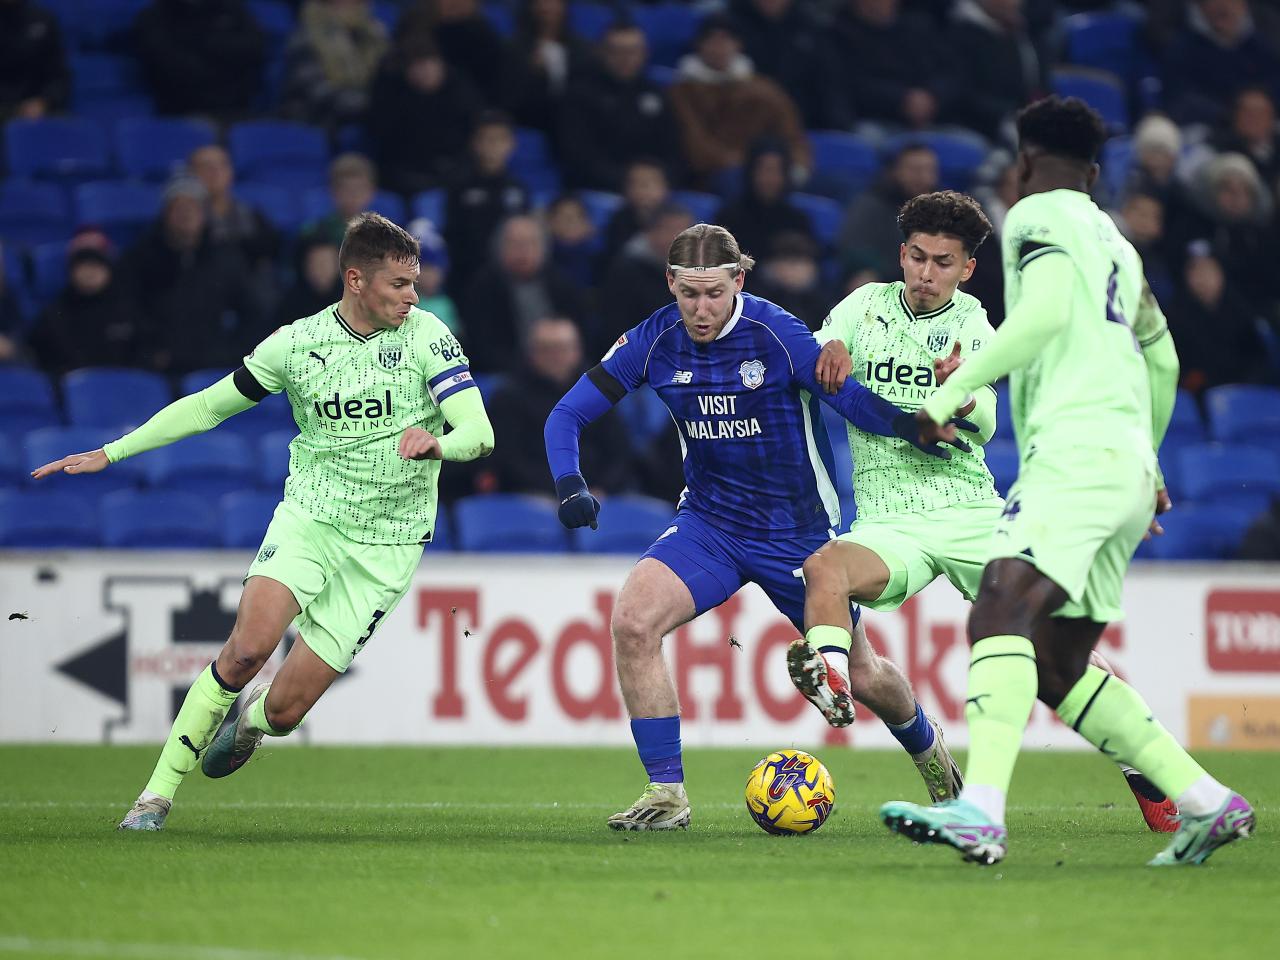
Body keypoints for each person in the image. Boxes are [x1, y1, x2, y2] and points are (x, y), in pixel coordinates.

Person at [877, 96, 1254, 866]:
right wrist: (1147, 466)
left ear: (1021, 164)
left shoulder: (1036, 216)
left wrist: (948, 394)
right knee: (1055, 665)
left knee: (998, 613)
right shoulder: (1116, 243)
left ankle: (979, 811)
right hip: (1122, 466)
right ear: (1095, 169)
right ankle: (1207, 802)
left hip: (1075, 457)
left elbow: (1043, 314)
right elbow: (1165, 359)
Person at [33, 213, 495, 831]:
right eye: (399, 284)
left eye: (415, 284)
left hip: (390, 540)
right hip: (312, 518)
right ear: (355, 279)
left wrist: (439, 446)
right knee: (248, 648)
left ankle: (250, 724)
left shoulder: (426, 336)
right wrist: (112, 452)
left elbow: (479, 432)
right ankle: (154, 798)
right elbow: (206, 408)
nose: (413, 295)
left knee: (285, 710)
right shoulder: (295, 345)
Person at [544, 223, 975, 831]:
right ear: (670, 283)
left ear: (739, 281)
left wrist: (915, 427)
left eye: (714, 293)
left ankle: (936, 765)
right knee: (632, 623)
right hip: (710, 525)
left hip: (797, 533)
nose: (700, 308)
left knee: (862, 673)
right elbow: (565, 416)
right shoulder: (652, 340)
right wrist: (569, 483)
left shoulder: (778, 335)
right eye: (688, 293)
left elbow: (848, 399)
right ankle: (666, 794)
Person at [793, 190, 1180, 834]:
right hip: (890, 520)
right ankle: (830, 677)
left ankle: (1151, 776)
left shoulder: (974, 324)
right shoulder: (863, 306)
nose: (926, 273)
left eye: (943, 262)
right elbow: (822, 344)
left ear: (967, 269)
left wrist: (961, 393)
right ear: (901, 254)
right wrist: (827, 351)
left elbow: (991, 422)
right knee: (824, 570)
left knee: (1060, 650)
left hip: (971, 513)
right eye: (917, 258)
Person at [120, 176, 267, 375]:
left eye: (193, 207)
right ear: (166, 214)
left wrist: (232, 353)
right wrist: (151, 352)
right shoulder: (141, 258)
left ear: (204, 214)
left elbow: (252, 312)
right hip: (161, 367)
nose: (186, 214)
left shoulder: (225, 257)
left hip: (214, 365)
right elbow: (129, 309)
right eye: (179, 207)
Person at [486, 315, 632, 496]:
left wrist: (602, 488)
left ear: (578, 351)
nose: (556, 357)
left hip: (597, 495)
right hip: (532, 497)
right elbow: (509, 460)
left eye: (563, 349)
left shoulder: (600, 390)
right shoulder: (508, 397)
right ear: (531, 353)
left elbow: (619, 454)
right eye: (547, 349)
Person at [668, 15, 811, 186]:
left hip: (770, 170)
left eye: (727, 40)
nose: (720, 47)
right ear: (700, 45)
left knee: (838, 185)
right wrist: (749, 165)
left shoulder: (765, 88)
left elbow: (792, 136)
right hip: (714, 174)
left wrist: (797, 165)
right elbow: (696, 146)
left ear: (738, 44)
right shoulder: (681, 92)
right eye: (713, 40)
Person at [558, 23, 682, 192]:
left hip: (654, 188)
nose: (626, 58)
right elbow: (578, 154)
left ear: (645, 54)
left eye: (633, 51)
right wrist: (628, 182)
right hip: (598, 187)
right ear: (602, 52)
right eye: (617, 51)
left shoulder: (655, 93)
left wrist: (659, 180)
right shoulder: (580, 94)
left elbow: (673, 148)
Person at [462, 214, 587, 372]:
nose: (523, 251)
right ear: (499, 248)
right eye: (515, 244)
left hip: (563, 369)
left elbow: (583, 336)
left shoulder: (563, 284)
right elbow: (482, 347)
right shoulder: (483, 288)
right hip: (508, 374)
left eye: (530, 243)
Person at [29, 230, 140, 375]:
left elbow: (144, 355)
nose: (90, 272)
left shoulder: (130, 310)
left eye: (97, 264)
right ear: (71, 271)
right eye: (82, 264)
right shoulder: (53, 315)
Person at [444, 111, 531, 295]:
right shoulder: (459, 187)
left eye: (500, 140)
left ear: (511, 144)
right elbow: (455, 236)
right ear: (475, 143)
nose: (493, 146)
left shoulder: (519, 189)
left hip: (510, 272)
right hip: (468, 273)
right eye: (487, 139)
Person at [134, 0, 266, 119]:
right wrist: (223, 59)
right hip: (183, 111)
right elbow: (173, 68)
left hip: (239, 107)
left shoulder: (232, 9)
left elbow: (255, 48)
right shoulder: (154, 17)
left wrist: (207, 44)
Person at [280, 0, 389, 130]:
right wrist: (372, 104)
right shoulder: (306, 38)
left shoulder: (373, 35)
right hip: (315, 122)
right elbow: (319, 93)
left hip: (362, 119)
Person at [0, 0, 69, 123]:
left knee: (68, 129)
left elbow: (58, 75)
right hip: (3, 107)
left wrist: (44, 101)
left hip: (37, 107)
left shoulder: (43, 20)